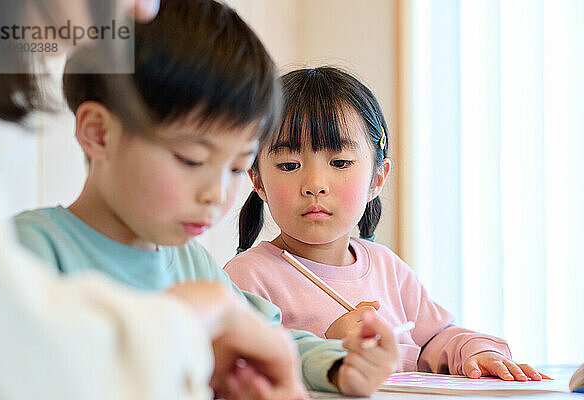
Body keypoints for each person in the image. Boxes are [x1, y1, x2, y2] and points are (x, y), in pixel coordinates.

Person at [12, 1, 399, 397]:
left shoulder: (193, 264)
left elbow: (272, 339)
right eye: (192, 159)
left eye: (236, 167)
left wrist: (339, 365)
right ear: (99, 133)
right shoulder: (27, 252)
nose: (216, 194)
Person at [226, 66, 547, 382]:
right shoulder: (247, 278)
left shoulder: (388, 269)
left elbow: (436, 339)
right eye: (289, 164)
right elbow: (242, 374)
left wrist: (477, 352)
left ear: (377, 179)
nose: (314, 185)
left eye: (339, 162)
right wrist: (329, 351)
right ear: (258, 181)